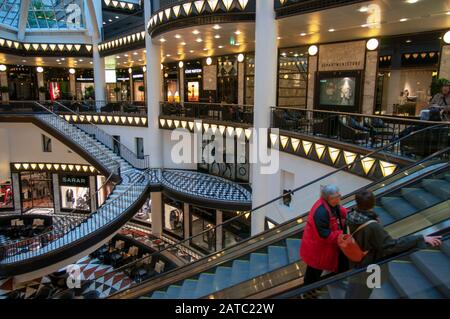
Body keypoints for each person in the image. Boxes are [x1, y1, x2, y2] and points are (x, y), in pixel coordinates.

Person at [345, 190, 442, 299]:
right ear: (373, 203)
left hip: (355, 261)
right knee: (361, 293)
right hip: (369, 266)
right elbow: (391, 246)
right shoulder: (372, 226)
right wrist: (420, 238)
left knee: (355, 289)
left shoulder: (351, 215)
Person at [300, 185, 349, 286]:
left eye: (339, 195)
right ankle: (307, 293)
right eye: (336, 197)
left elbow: (339, 210)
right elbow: (325, 235)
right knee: (313, 272)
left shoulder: (330, 204)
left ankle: (338, 281)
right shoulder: (321, 212)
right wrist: (342, 235)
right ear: (328, 198)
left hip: (322, 248)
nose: (339, 198)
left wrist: (348, 214)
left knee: (341, 261)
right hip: (317, 249)